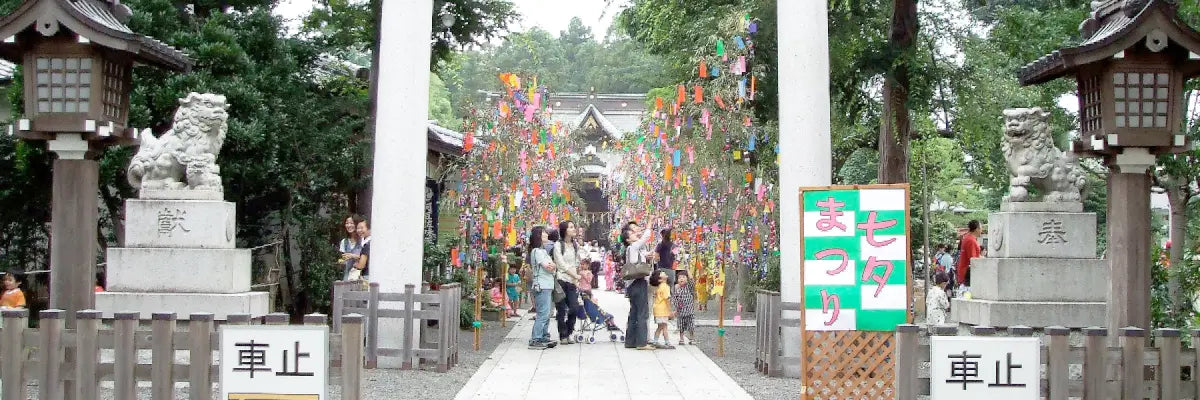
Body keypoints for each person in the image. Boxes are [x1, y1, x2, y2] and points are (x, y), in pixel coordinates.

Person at [622, 221, 657, 350]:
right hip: (638, 282)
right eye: (631, 233)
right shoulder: (634, 247)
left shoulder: (632, 250)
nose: (635, 233)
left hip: (632, 284)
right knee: (642, 312)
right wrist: (649, 224)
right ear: (627, 239)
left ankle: (630, 341)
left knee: (634, 312)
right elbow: (645, 237)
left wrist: (647, 256)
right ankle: (642, 342)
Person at [552, 220, 584, 345]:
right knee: (561, 309)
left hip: (572, 281)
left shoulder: (575, 245)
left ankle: (569, 331)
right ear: (565, 230)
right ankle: (563, 335)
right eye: (571, 227)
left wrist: (576, 278)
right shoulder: (558, 245)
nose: (574, 229)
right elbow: (561, 265)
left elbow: (576, 263)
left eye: (573, 226)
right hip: (561, 279)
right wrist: (574, 275)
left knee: (574, 307)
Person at [527, 226, 559, 350]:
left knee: (546, 313)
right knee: (543, 313)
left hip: (547, 284)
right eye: (544, 233)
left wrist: (553, 265)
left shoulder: (543, 251)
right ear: (539, 236)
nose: (547, 234)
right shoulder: (537, 251)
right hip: (542, 285)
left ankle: (544, 336)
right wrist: (553, 266)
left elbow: (553, 266)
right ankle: (535, 339)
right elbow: (549, 267)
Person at [650, 270, 676, 349]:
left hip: (657, 309)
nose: (664, 272)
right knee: (663, 326)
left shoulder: (659, 286)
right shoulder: (665, 286)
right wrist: (670, 311)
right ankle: (666, 342)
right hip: (663, 309)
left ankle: (656, 341)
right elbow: (667, 299)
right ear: (660, 279)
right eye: (662, 273)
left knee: (661, 326)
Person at [956, 220, 983, 294]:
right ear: (977, 229)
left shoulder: (967, 238)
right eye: (981, 228)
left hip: (964, 272)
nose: (981, 230)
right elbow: (974, 259)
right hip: (968, 274)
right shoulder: (971, 241)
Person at [673, 271, 697, 345]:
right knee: (681, 326)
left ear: (686, 279)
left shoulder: (689, 287)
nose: (681, 279)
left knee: (691, 326)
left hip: (689, 311)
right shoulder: (677, 289)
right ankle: (681, 338)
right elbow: (675, 299)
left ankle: (692, 338)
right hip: (681, 312)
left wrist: (687, 269)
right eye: (679, 278)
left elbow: (692, 280)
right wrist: (676, 310)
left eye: (683, 277)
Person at [337, 215, 364, 281]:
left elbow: (368, 259)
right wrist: (342, 262)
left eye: (351, 223)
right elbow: (345, 260)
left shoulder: (363, 240)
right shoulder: (344, 242)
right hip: (348, 276)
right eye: (347, 223)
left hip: (361, 276)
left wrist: (353, 256)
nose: (349, 225)